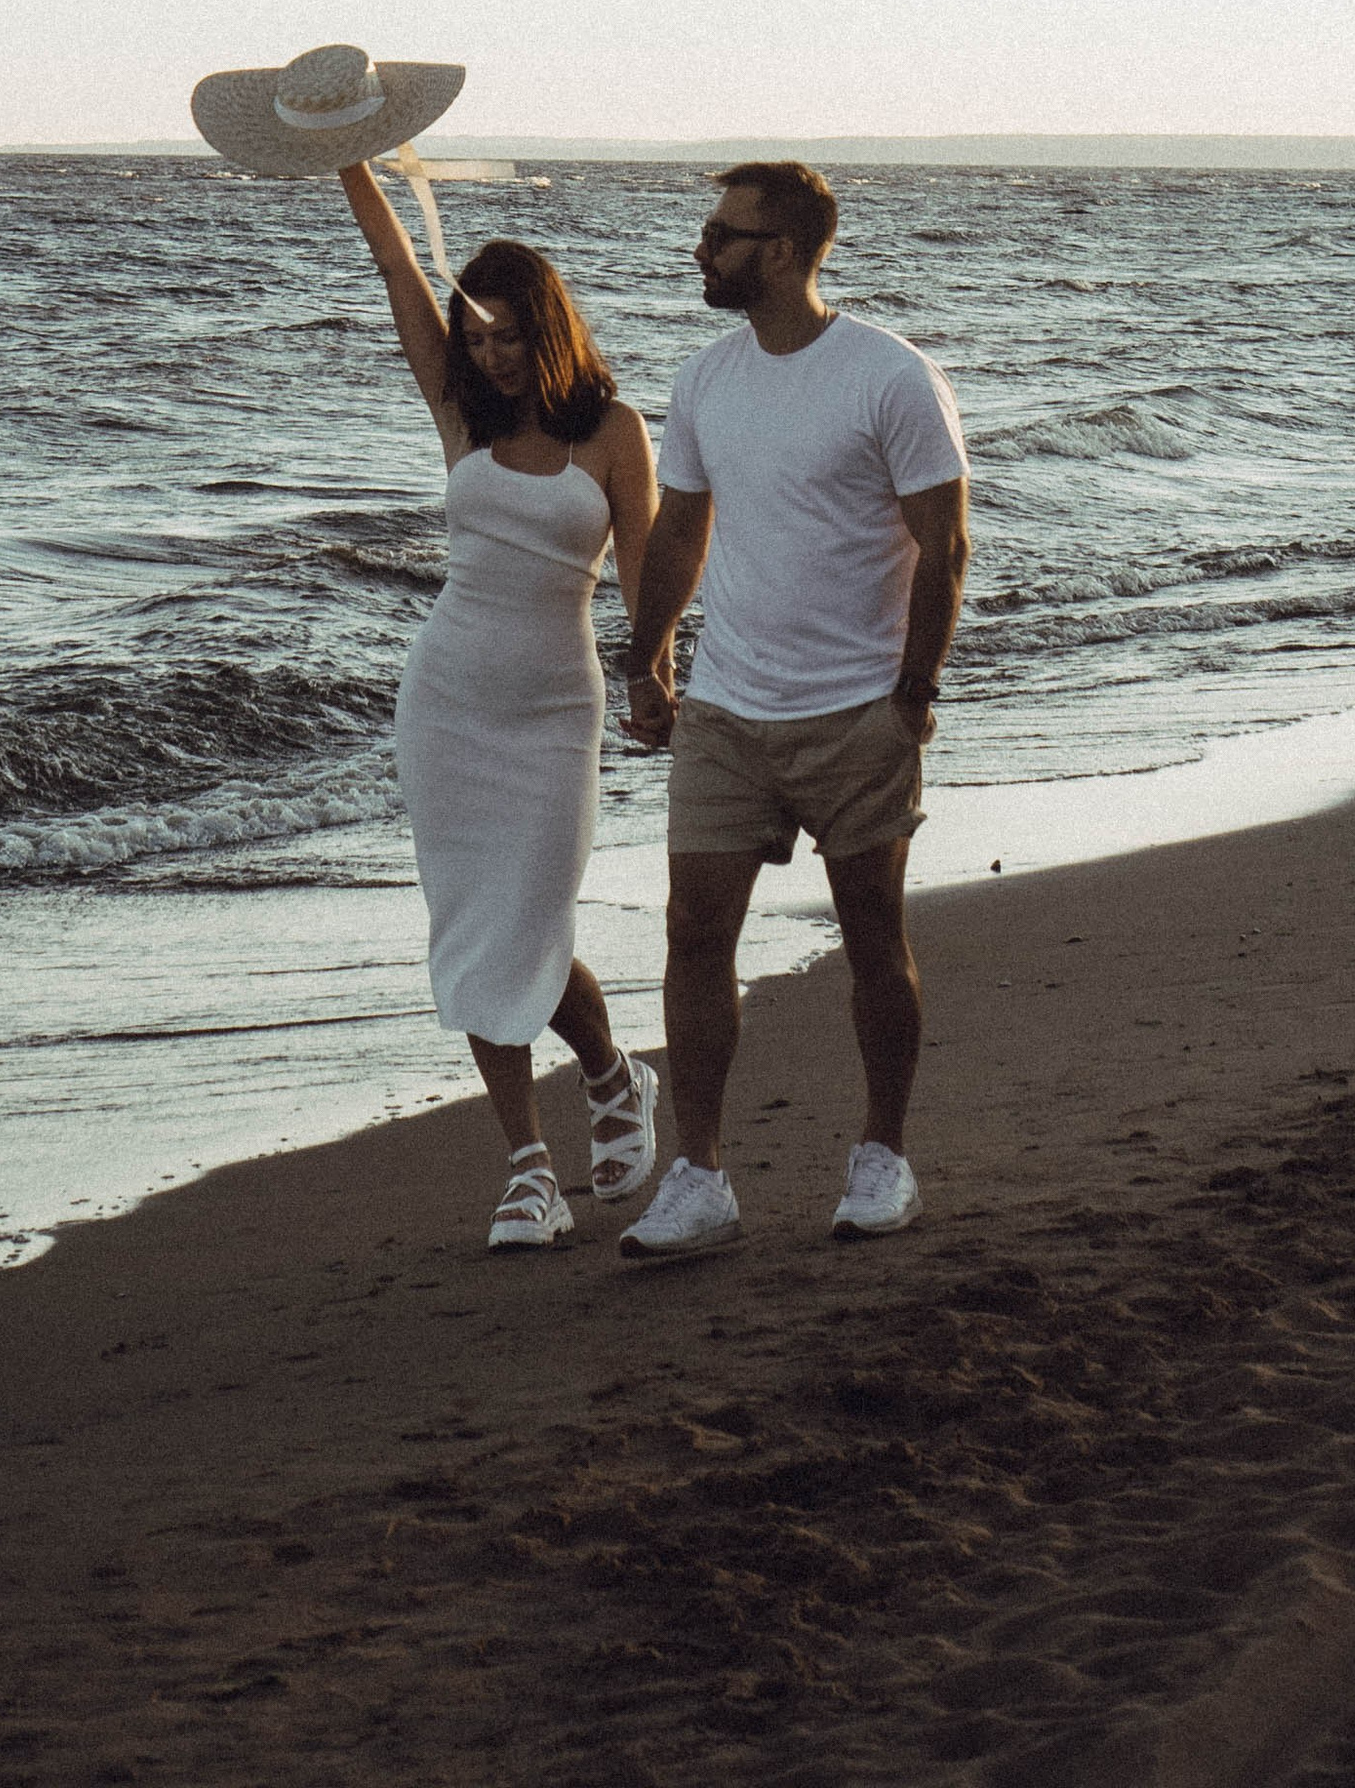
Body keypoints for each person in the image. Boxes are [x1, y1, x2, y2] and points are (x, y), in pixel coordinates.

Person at [618, 160, 968, 1262]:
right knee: (691, 939)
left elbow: (943, 545)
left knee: (872, 939)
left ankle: (881, 1157)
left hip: (854, 711)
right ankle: (699, 1174)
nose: (701, 248)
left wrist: (909, 700)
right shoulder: (706, 379)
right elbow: (680, 530)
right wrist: (647, 659)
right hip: (726, 708)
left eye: (722, 233)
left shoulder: (889, 377)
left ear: (780, 251)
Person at [339, 160, 663, 1248]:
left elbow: (645, 575)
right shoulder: (460, 418)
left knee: (531, 918)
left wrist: (653, 670)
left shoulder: (613, 431)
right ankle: (527, 1168)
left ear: (548, 330)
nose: (487, 356)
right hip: (447, 703)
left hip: (552, 712)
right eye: (474, 341)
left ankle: (615, 1074)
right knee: (475, 930)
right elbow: (395, 266)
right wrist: (351, 154)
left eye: (506, 339)